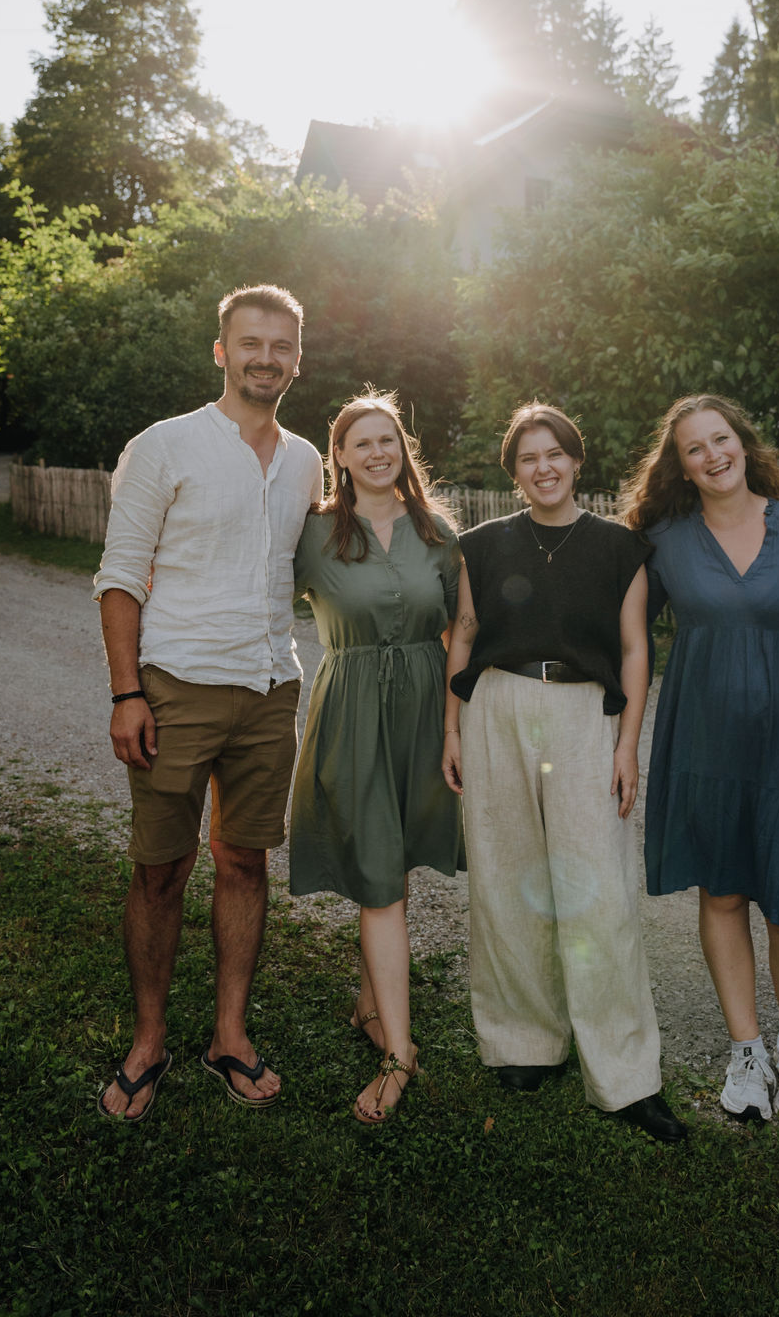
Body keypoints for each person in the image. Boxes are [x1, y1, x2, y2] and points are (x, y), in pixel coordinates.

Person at [93, 284, 323, 1121]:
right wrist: (127, 693)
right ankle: (148, 1039)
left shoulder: (305, 461)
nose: (267, 357)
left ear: (298, 360)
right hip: (176, 684)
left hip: (270, 688)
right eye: (251, 342)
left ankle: (229, 1033)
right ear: (222, 350)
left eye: (282, 346)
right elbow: (119, 579)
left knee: (245, 862)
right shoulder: (163, 447)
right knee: (160, 871)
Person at [441, 402, 686, 1143]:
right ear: (513, 472)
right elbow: (465, 635)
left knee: (598, 893)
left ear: (577, 462)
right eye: (527, 459)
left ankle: (623, 1074)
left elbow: (635, 649)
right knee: (504, 875)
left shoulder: (620, 548)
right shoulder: (480, 546)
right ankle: (523, 1041)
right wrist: (450, 729)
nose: (542, 468)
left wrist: (625, 745)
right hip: (496, 708)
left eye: (554, 455)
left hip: (586, 715)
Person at [622, 394, 779, 1125]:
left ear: (743, 443)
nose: (711, 455)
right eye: (693, 448)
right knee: (722, 895)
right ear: (678, 465)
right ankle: (746, 1049)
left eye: (720, 440)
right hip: (703, 743)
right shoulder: (664, 541)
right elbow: (625, 642)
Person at [289, 392, 464, 1123]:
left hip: (425, 711)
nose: (374, 451)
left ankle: (370, 1004)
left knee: (393, 865)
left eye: (385, 438)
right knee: (379, 877)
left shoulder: (439, 531)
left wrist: (456, 726)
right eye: (359, 442)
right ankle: (400, 1052)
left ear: (402, 446)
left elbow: (465, 631)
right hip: (354, 710)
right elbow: (252, 595)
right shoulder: (313, 535)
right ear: (339, 457)